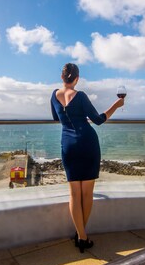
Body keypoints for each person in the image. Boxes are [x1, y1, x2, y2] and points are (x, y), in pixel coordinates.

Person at [50, 63, 124, 253]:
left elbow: (55, 118)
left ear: (62, 77)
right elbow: (98, 120)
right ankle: (82, 236)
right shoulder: (81, 95)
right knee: (87, 193)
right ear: (77, 78)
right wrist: (116, 105)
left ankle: (81, 235)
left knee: (74, 194)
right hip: (88, 143)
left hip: (68, 145)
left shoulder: (54, 95)